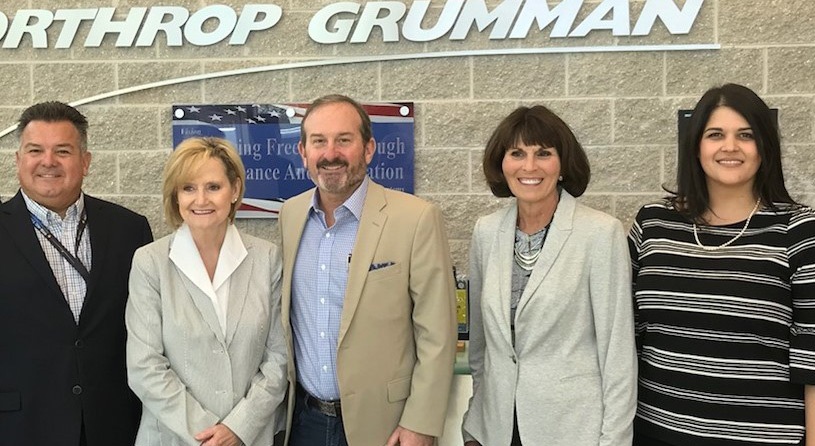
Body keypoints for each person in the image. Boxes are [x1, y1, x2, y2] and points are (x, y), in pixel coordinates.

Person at [629, 83, 815, 445]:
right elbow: (624, 334)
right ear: (696, 145)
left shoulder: (800, 230)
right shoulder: (653, 224)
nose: (730, 147)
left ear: (765, 147)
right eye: (716, 134)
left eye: (745, 135)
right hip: (656, 430)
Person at [278, 94, 457, 446]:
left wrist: (420, 423)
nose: (331, 153)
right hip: (304, 423)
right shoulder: (291, 216)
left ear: (369, 148)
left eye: (344, 140)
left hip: (387, 427)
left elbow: (438, 333)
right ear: (303, 152)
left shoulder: (416, 218)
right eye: (319, 142)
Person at [462, 105, 637, 446]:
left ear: (561, 165)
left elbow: (617, 356)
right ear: (502, 163)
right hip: (497, 430)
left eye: (543, 153)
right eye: (517, 153)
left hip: (572, 430)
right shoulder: (486, 232)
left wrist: (614, 440)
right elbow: (481, 347)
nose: (529, 166)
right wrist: (475, 425)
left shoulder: (600, 234)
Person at [0, 101, 153, 445]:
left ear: (85, 162)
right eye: (35, 150)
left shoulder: (130, 229)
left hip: (114, 424)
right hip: (21, 426)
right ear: (18, 161)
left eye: (63, 151)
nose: (48, 161)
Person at [126, 137, 287, 446]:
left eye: (213, 187)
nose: (201, 200)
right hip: (174, 439)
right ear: (175, 196)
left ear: (235, 190)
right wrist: (208, 435)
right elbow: (144, 366)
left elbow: (279, 359)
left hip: (248, 438)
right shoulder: (150, 262)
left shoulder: (267, 258)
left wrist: (238, 428)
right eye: (188, 188)